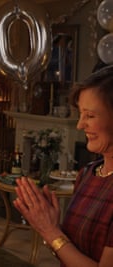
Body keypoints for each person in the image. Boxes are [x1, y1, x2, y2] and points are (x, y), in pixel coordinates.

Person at [13, 65, 113, 267]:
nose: (79, 125)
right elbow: (70, 251)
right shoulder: (88, 173)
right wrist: (50, 226)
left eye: (90, 116)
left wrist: (50, 231)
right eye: (80, 113)